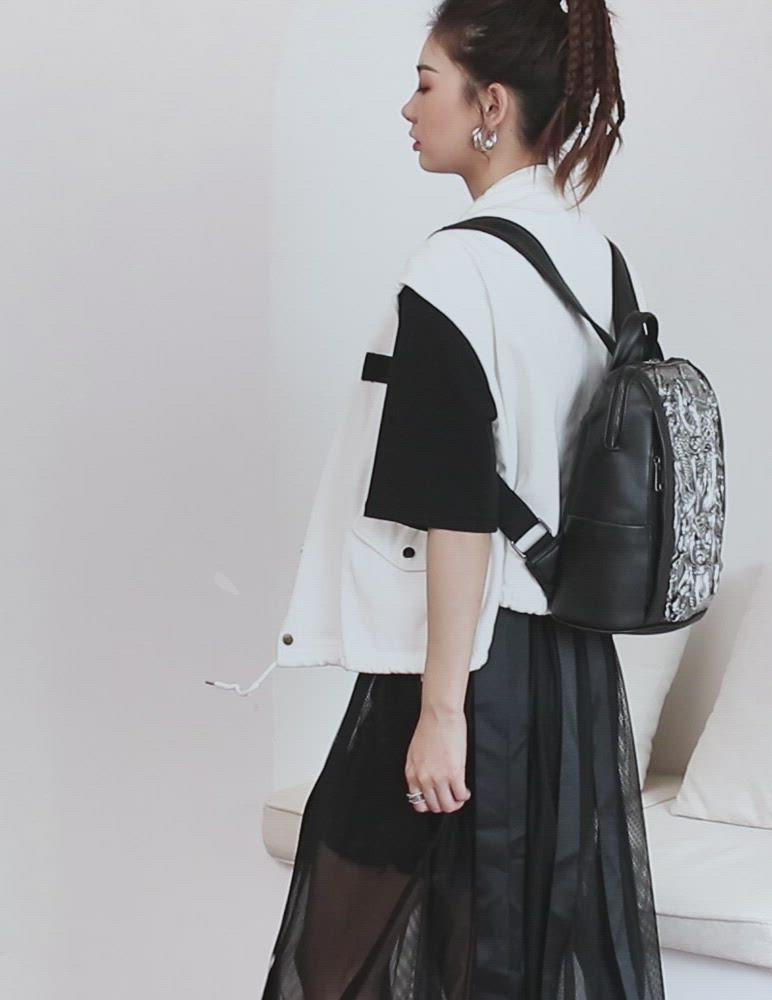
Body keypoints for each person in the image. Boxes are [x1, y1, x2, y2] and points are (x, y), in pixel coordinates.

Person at [260, 1, 665, 997]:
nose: (408, 108)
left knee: (341, 948)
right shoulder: (596, 258)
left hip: (464, 659)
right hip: (567, 670)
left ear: (490, 105)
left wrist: (440, 711)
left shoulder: (454, 266)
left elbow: (456, 509)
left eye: (425, 82)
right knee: (501, 955)